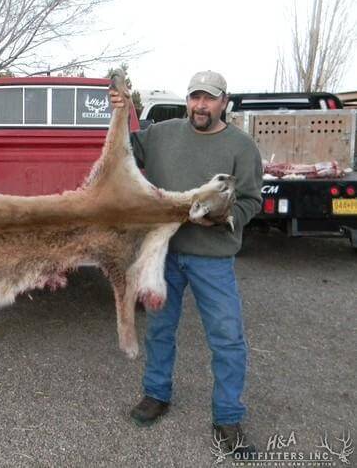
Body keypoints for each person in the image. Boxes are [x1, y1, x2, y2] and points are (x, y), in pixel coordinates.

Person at [110, 71, 262, 454]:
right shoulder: (161, 135)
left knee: (227, 338)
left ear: (224, 101)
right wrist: (119, 111)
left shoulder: (241, 147)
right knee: (160, 330)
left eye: (208, 98)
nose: (200, 105)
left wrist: (226, 217)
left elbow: (251, 200)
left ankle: (227, 417)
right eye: (195, 97)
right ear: (188, 100)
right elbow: (121, 150)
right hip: (165, 253)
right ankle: (156, 394)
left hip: (213, 259)